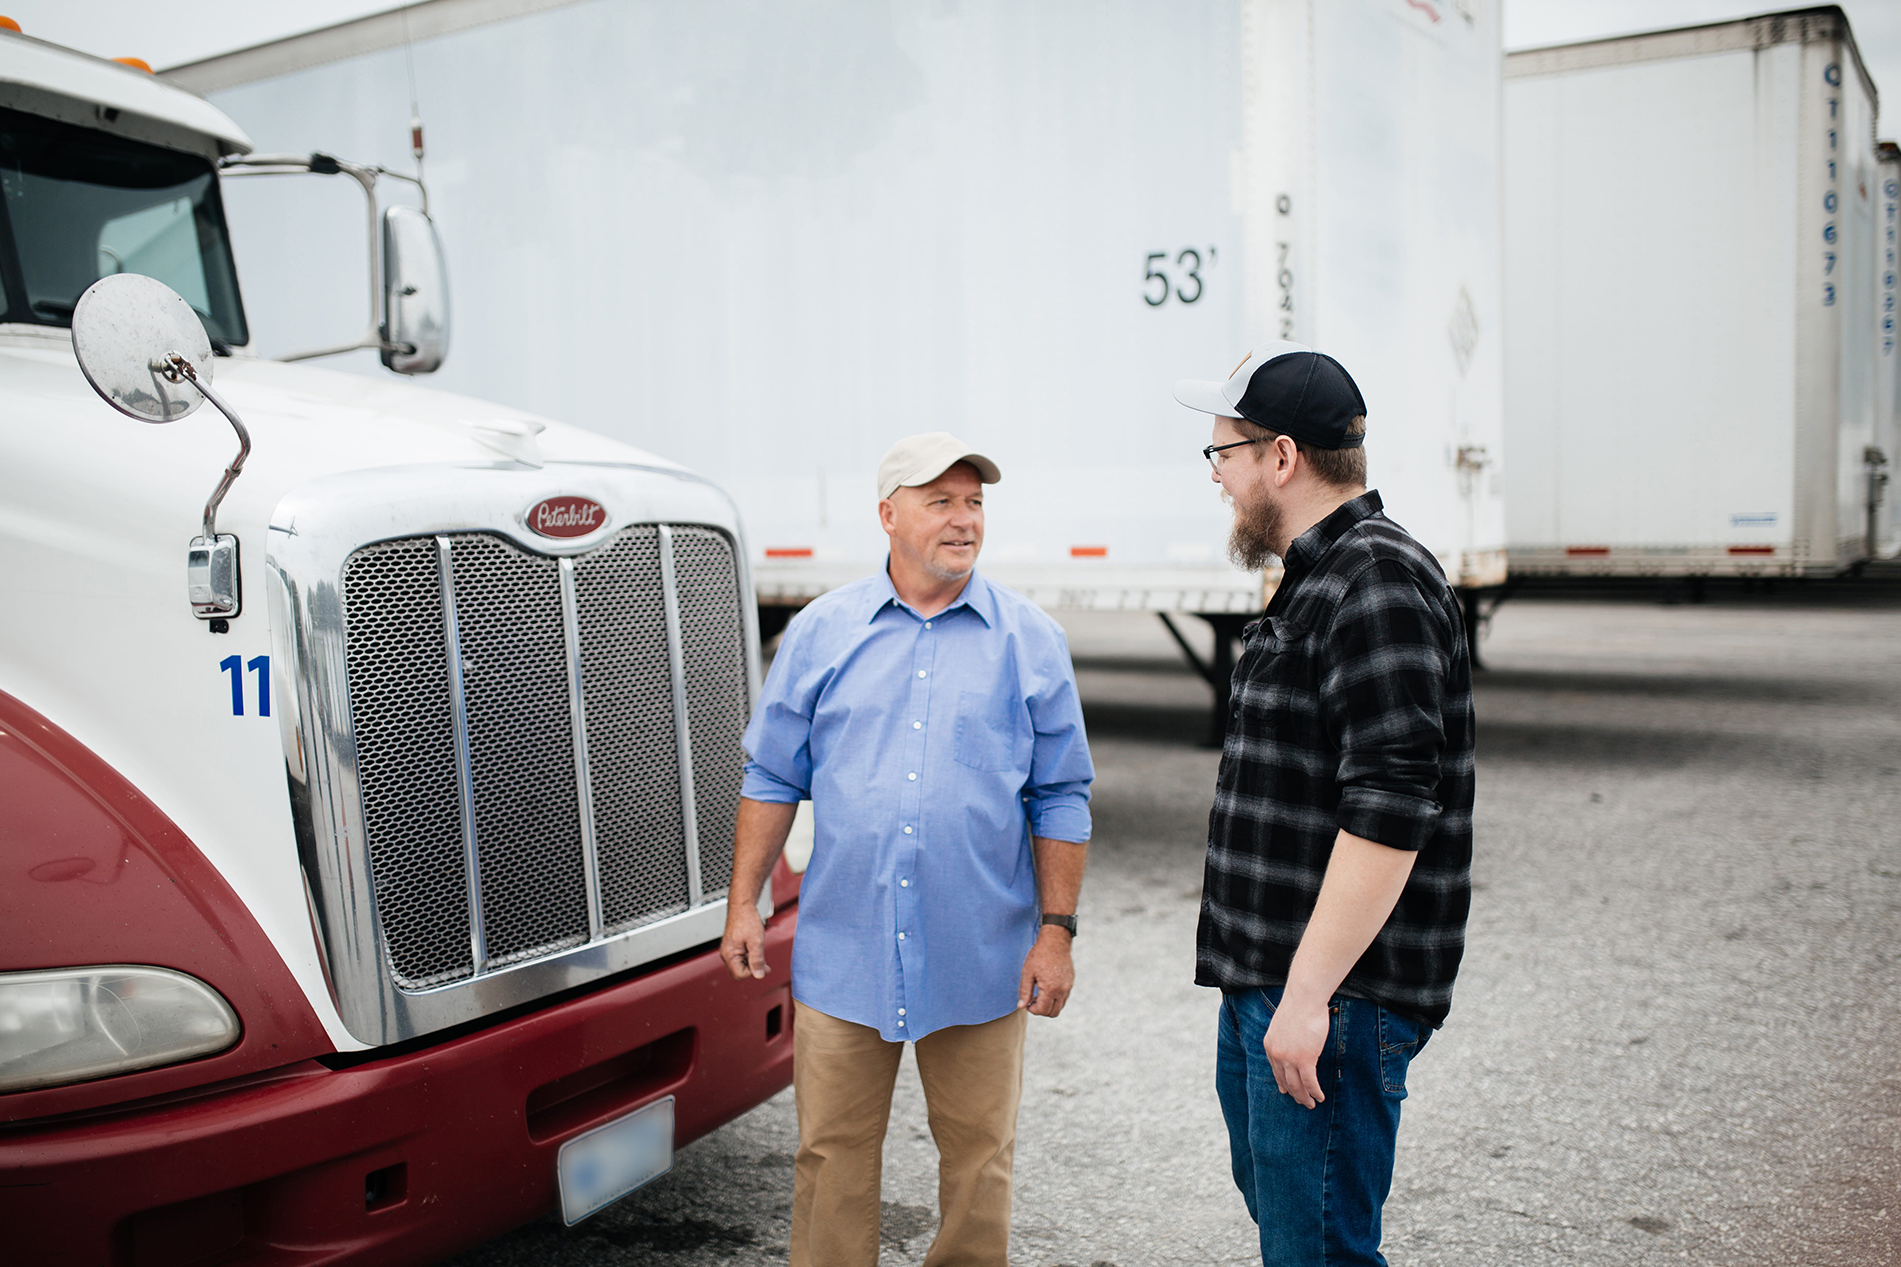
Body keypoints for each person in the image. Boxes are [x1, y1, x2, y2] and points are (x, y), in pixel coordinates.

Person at [719, 431, 1094, 1267]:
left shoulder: (1029, 640)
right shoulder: (821, 634)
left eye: (974, 503)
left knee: (978, 1160)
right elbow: (773, 774)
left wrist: (1056, 931)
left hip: (982, 952)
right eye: (941, 501)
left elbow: (1060, 793)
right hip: (843, 949)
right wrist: (743, 901)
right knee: (830, 1157)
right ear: (888, 516)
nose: (963, 521)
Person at [1173, 342, 1475, 1267]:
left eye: (1222, 453)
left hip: (1331, 997)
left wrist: (1304, 1000)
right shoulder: (1319, 572)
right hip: (1275, 983)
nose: (1218, 478)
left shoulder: (1374, 580)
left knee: (1320, 1254)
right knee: (1294, 1232)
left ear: (1281, 456)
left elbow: (1389, 810)